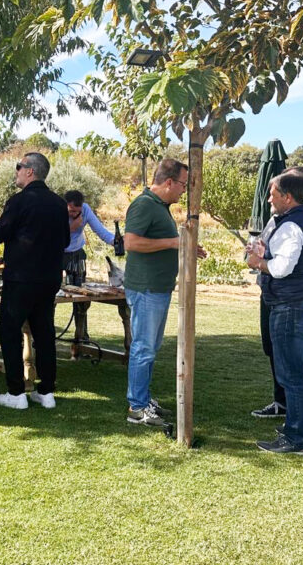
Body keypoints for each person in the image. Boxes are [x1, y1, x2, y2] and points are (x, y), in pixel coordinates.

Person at [0, 152, 70, 410]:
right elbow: (66, 242)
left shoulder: (19, 201)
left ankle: (16, 393)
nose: (16, 171)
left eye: (19, 167)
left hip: (21, 278)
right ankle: (46, 391)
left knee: (10, 332)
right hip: (48, 279)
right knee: (45, 333)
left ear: (30, 171)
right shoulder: (60, 204)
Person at [247, 172, 303, 455]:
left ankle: (296, 438)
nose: (269, 198)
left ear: (288, 197)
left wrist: (259, 262)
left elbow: (282, 268)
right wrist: (264, 252)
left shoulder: (293, 225)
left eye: (273, 193)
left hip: (291, 304)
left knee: (292, 374)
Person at [122, 159, 202, 426]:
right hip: (146, 289)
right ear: (168, 182)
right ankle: (137, 407)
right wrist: (174, 242)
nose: (183, 190)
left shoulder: (160, 207)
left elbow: (162, 243)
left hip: (157, 288)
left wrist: (186, 247)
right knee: (143, 348)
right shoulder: (144, 204)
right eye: (182, 184)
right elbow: (131, 242)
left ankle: (144, 398)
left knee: (150, 347)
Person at [63, 189, 115, 343]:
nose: (74, 214)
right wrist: (71, 227)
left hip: (77, 253)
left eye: (77, 212)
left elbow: (100, 231)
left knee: (81, 296)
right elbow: (51, 234)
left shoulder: (85, 210)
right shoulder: (57, 210)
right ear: (66, 205)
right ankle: (46, 335)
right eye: (71, 211)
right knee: (53, 294)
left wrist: (117, 242)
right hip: (57, 253)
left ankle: (81, 336)